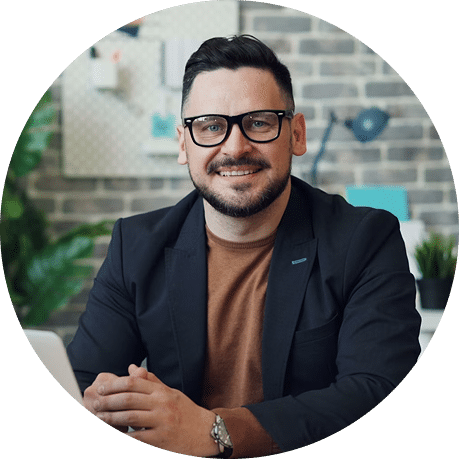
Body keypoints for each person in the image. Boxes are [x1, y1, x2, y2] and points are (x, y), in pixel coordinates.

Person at [67, 35, 421, 457]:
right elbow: (81, 383)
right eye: (210, 126)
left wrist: (216, 431)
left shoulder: (365, 239)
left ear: (296, 135)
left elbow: (379, 392)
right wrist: (99, 402)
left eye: (259, 123)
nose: (235, 147)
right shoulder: (135, 246)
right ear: (183, 143)